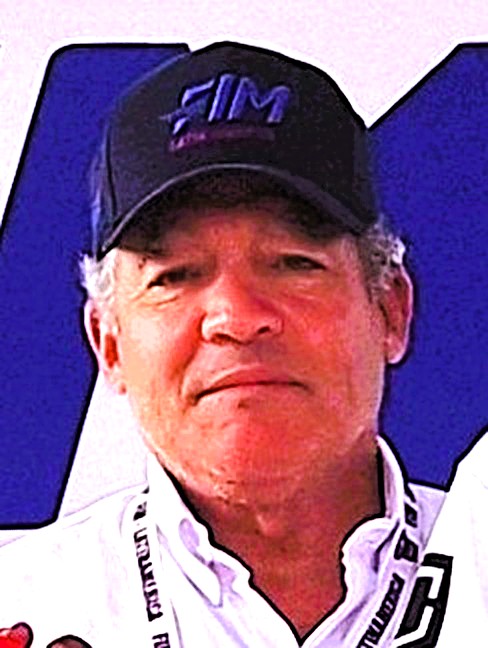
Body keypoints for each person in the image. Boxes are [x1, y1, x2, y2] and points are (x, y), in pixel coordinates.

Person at [0, 41, 445, 648]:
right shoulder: (19, 604)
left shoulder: (475, 564)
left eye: (293, 262)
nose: (235, 317)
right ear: (109, 343)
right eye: (175, 276)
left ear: (391, 309)